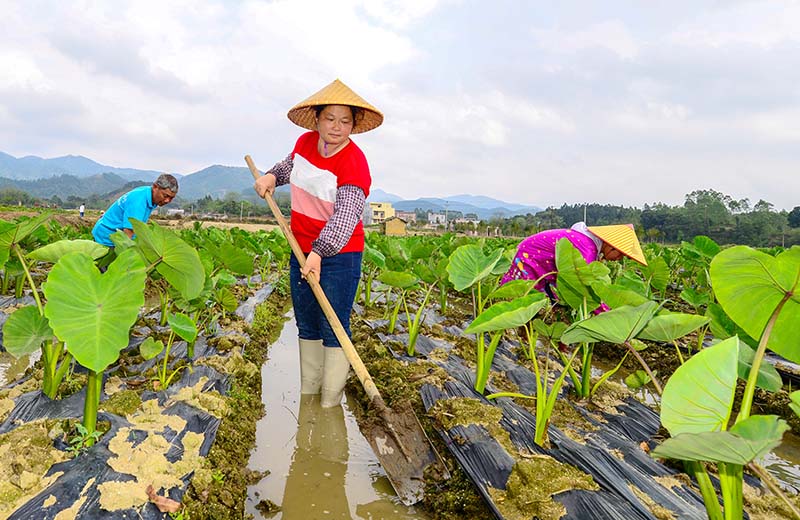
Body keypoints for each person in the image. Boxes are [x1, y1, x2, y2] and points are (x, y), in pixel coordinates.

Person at [254, 79, 382, 408]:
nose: (337, 127)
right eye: (330, 119)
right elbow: (290, 166)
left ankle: (329, 402)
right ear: (317, 119)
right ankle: (309, 394)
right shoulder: (305, 143)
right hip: (302, 250)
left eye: (345, 121)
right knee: (307, 320)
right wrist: (271, 176)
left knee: (333, 322)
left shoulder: (355, 161)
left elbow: (346, 216)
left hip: (339, 255)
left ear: (354, 125)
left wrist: (320, 252)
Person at [500, 222, 648, 301]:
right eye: (620, 255)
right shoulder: (587, 248)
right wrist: (604, 312)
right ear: (611, 245)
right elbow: (583, 287)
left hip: (545, 265)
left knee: (551, 301)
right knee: (520, 299)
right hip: (531, 257)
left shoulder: (589, 245)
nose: (618, 260)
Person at [92, 174, 178, 246]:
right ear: (155, 187)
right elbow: (128, 232)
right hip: (107, 238)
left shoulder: (149, 195)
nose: (168, 201)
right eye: (165, 196)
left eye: (171, 198)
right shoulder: (139, 201)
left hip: (115, 235)